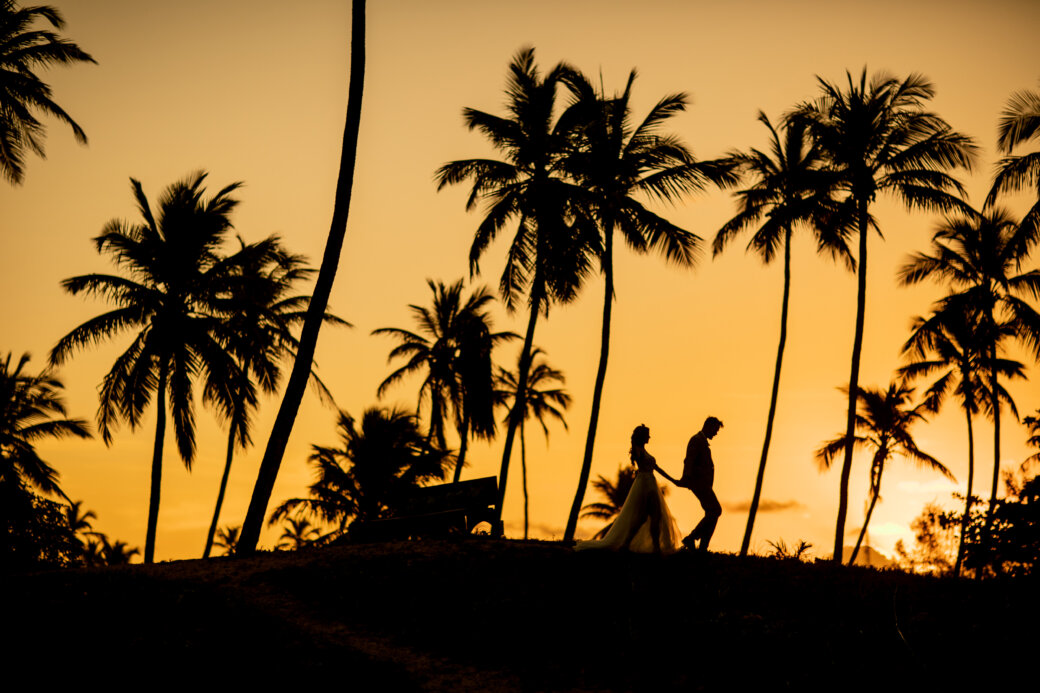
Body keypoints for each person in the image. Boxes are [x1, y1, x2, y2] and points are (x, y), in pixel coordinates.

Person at [575, 424, 682, 554]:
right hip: (645, 485)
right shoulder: (638, 450)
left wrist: (673, 480)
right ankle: (655, 548)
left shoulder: (643, 450)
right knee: (654, 516)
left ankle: (630, 544)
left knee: (644, 518)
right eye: (647, 434)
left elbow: (657, 468)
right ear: (642, 436)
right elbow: (640, 460)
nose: (649, 437)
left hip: (650, 483)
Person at [674, 416, 723, 552]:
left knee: (711, 512)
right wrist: (686, 478)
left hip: (703, 483)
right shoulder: (696, 440)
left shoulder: (702, 441)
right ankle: (692, 537)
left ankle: (702, 547)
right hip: (699, 483)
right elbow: (689, 460)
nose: (716, 433)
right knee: (715, 510)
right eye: (715, 430)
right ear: (708, 426)